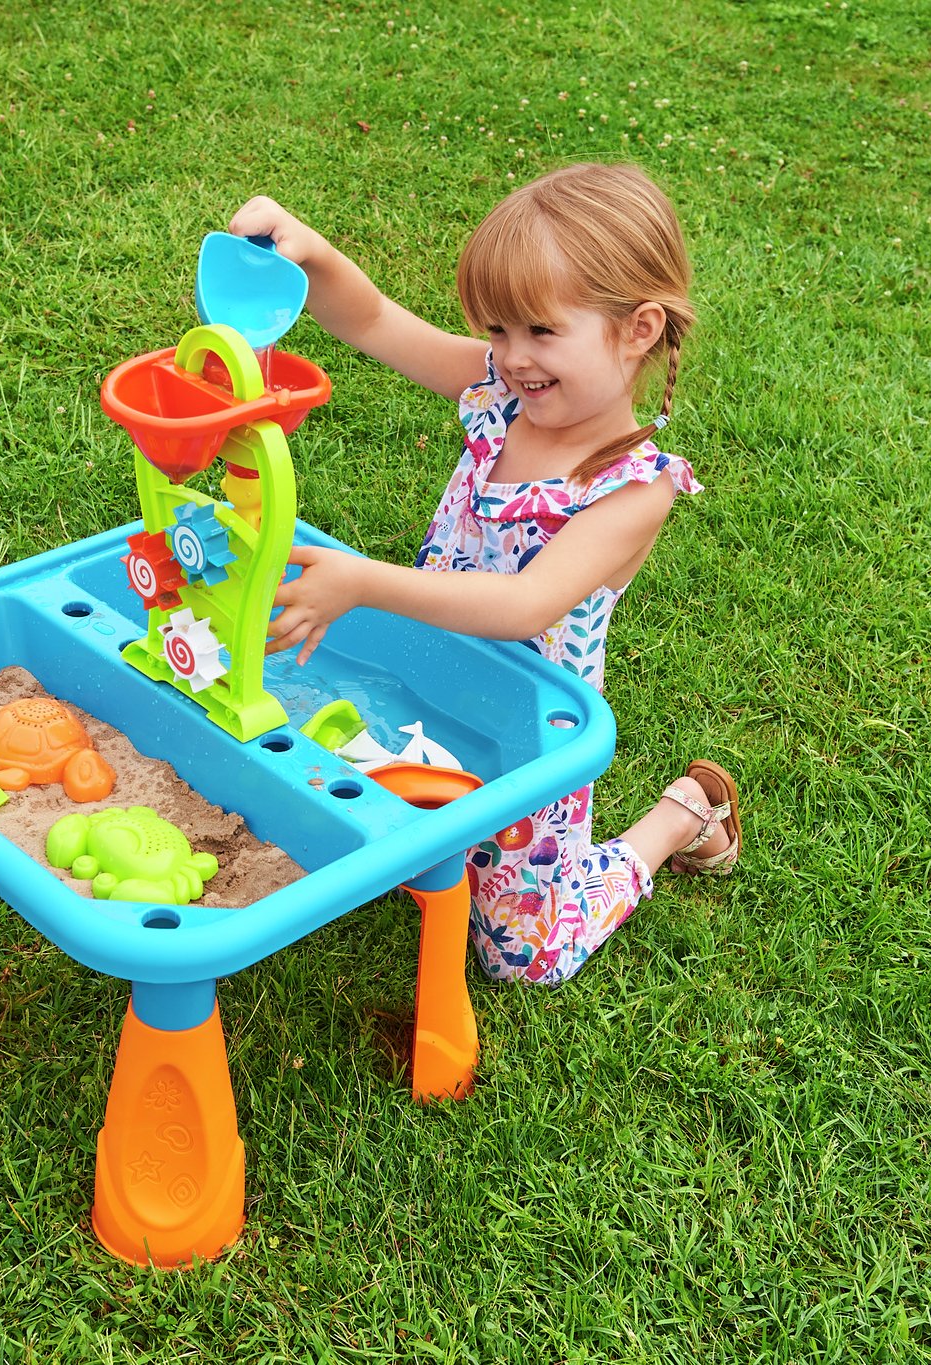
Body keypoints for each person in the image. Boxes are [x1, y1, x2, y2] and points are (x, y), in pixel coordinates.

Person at [230, 163, 742, 986]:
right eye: (498, 331)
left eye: (540, 333)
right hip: (422, 678)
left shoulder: (632, 488)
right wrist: (313, 255)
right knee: (385, 834)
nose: (511, 358)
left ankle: (679, 817)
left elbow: (522, 604)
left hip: (528, 732)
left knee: (523, 957)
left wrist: (363, 582)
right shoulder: (498, 391)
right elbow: (369, 319)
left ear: (639, 328)